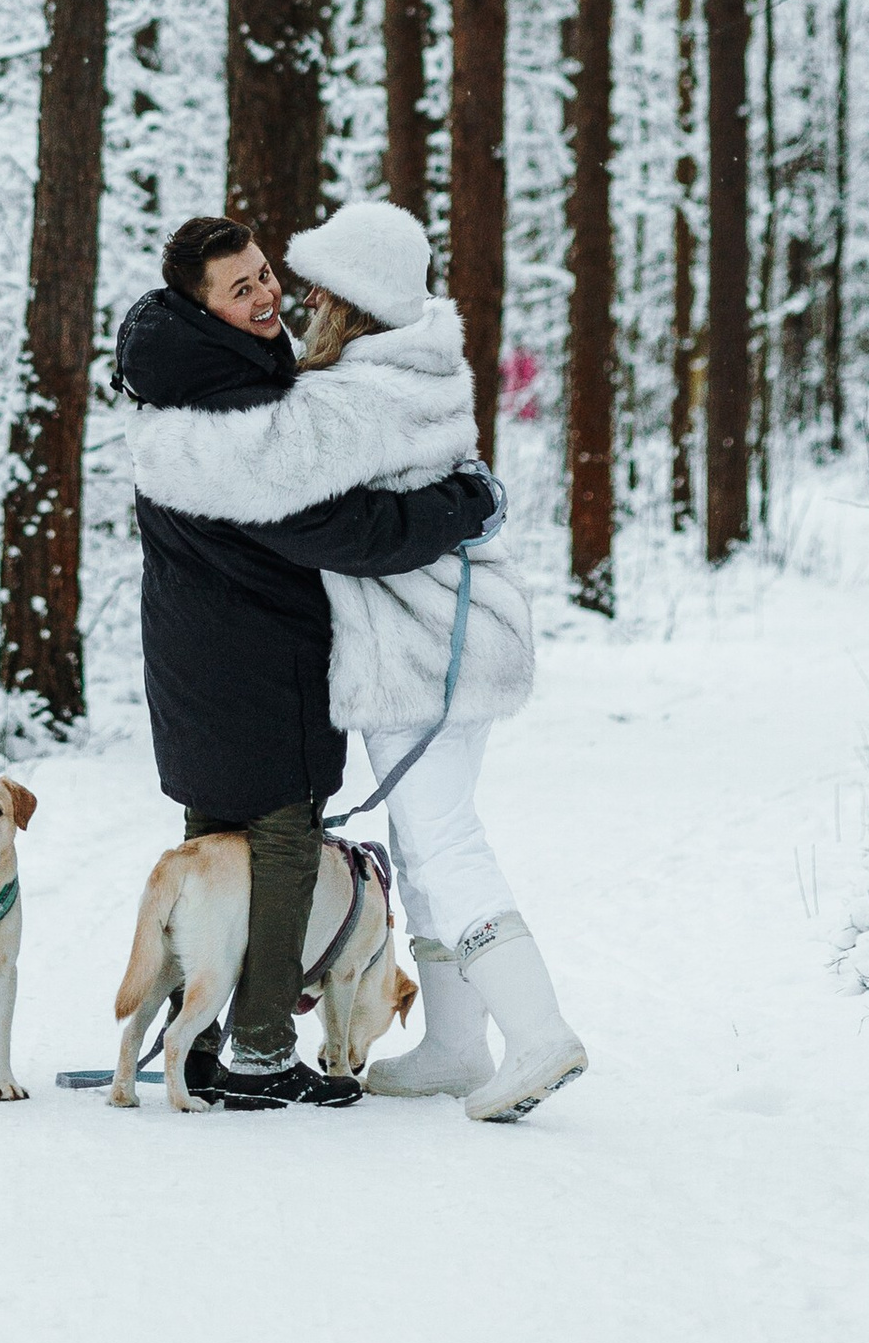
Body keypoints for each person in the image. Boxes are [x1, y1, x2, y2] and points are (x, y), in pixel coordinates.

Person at [127, 197, 586, 1122]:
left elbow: (306, 510)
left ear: (354, 299)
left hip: (424, 650)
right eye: (257, 282)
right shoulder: (395, 361)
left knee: (444, 840)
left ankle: (539, 1035)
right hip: (441, 639)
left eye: (307, 285)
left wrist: (162, 442)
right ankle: (457, 1046)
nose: (289, 298)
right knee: (422, 848)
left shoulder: (350, 396)